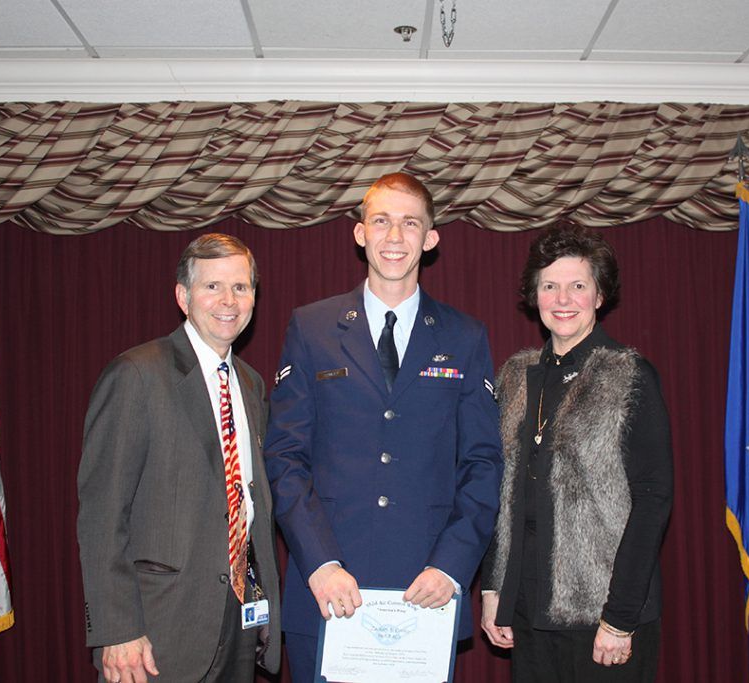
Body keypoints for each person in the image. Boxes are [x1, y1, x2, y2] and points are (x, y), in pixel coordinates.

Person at [265, 172, 503, 682]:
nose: (395, 238)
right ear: (359, 233)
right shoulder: (311, 327)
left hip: (425, 593)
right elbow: (285, 456)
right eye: (382, 222)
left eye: (410, 224)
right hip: (329, 590)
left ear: (431, 238)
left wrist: (451, 567)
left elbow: (483, 463)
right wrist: (321, 564)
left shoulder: (465, 336)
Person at [77, 234, 281, 683]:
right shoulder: (136, 374)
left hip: (238, 623)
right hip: (156, 634)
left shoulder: (251, 385)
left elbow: (248, 506)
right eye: (213, 287)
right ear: (183, 296)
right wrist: (117, 629)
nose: (229, 300)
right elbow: (102, 514)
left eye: (241, 287)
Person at [481, 225, 673, 683]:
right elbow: (498, 494)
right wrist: (494, 590)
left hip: (603, 616)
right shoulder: (513, 376)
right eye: (550, 286)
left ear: (600, 296)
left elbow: (653, 500)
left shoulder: (629, 375)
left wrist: (620, 617)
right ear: (535, 295)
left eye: (577, 286)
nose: (562, 298)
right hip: (527, 613)